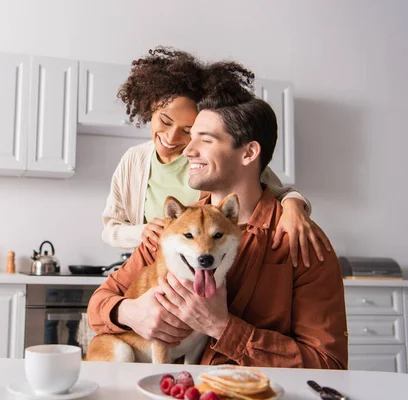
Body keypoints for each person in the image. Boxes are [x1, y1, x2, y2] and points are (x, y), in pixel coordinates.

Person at [88, 61, 348, 368]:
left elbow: (328, 365)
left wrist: (221, 327)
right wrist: (131, 313)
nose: (186, 149)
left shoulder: (300, 239)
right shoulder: (172, 231)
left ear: (249, 153)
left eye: (204, 139)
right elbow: (98, 307)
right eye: (190, 135)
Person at [101, 47, 331, 269]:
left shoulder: (208, 162)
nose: (171, 137)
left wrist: (294, 207)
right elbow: (110, 226)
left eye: (188, 130)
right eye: (165, 121)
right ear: (150, 107)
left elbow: (273, 189)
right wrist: (140, 232)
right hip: (153, 268)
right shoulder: (134, 160)